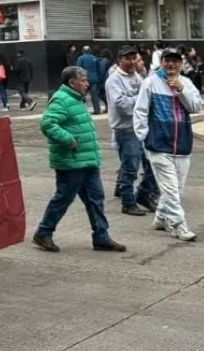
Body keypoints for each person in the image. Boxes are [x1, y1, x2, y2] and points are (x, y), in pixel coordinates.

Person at [33, 66, 125, 254]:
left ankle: (101, 236)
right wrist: (67, 139)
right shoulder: (62, 99)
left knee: (96, 198)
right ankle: (43, 232)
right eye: (83, 80)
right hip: (71, 161)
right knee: (63, 198)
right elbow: (47, 123)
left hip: (87, 160)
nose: (87, 83)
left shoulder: (76, 99)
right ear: (71, 82)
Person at [134, 48, 203, 242]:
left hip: (182, 144)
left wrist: (181, 90)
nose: (171, 65)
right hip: (158, 145)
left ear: (181, 64)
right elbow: (140, 111)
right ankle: (178, 225)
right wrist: (144, 137)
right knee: (171, 188)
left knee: (177, 188)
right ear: (161, 62)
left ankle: (162, 217)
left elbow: (196, 107)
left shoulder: (186, 83)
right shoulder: (150, 83)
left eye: (175, 61)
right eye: (167, 60)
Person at [106, 46, 158, 216]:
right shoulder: (114, 80)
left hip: (142, 129)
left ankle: (143, 194)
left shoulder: (138, 77)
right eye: (126, 59)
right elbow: (121, 105)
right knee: (130, 168)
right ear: (119, 60)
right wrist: (142, 99)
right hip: (126, 131)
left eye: (133, 58)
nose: (131, 62)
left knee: (152, 163)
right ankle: (128, 203)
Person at [76, 46, 102, 114]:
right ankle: (97, 110)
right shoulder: (95, 58)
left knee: (81, 96)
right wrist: (99, 78)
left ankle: (81, 111)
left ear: (83, 51)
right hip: (94, 79)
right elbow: (99, 69)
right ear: (90, 51)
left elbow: (78, 69)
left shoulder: (80, 58)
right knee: (95, 96)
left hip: (84, 80)